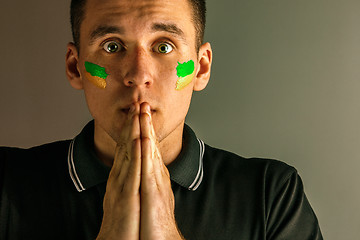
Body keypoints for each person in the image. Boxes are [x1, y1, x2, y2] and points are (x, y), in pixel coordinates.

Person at [0, 0, 323, 239]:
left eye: (164, 46)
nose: (139, 76)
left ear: (201, 68)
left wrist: (167, 232)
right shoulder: (7, 184)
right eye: (112, 46)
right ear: (76, 67)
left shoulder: (270, 195)